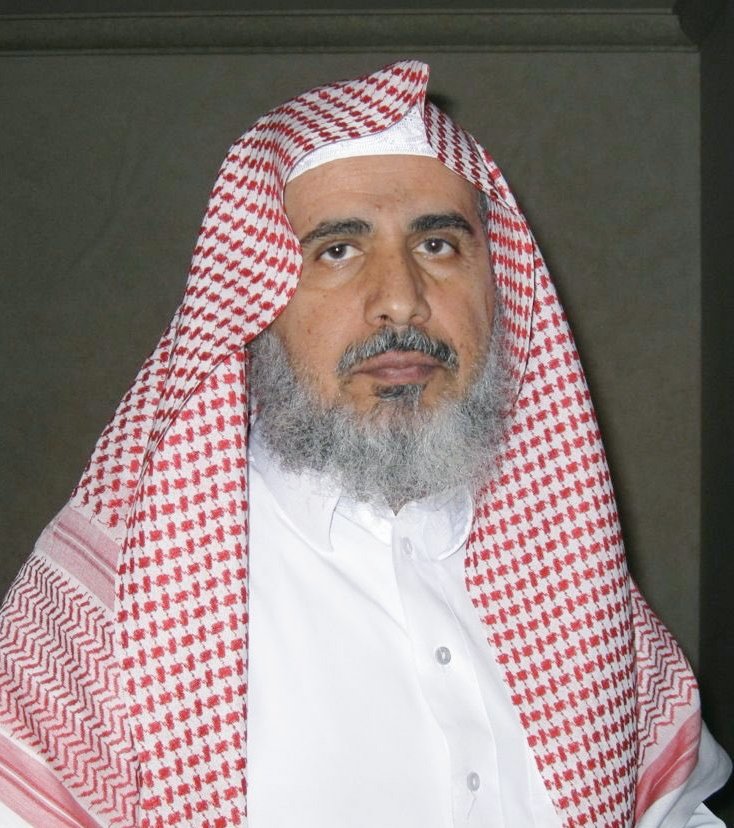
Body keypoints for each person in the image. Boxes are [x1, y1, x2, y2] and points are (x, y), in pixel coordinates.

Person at [0, 59, 729, 828]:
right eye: (338, 251)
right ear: (254, 303)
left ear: (497, 287)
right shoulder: (106, 610)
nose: (400, 301)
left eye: (438, 244)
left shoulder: (571, 573)